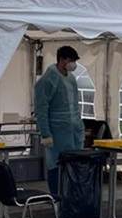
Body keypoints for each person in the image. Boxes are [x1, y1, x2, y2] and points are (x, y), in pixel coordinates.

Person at [34, 46, 85, 197]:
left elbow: (75, 105)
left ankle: (71, 197)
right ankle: (57, 198)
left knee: (73, 164)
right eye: (72, 60)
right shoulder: (48, 80)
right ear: (62, 59)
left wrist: (79, 125)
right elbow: (41, 109)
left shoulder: (70, 78)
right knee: (56, 165)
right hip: (56, 132)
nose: (73, 64)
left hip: (73, 130)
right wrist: (45, 133)